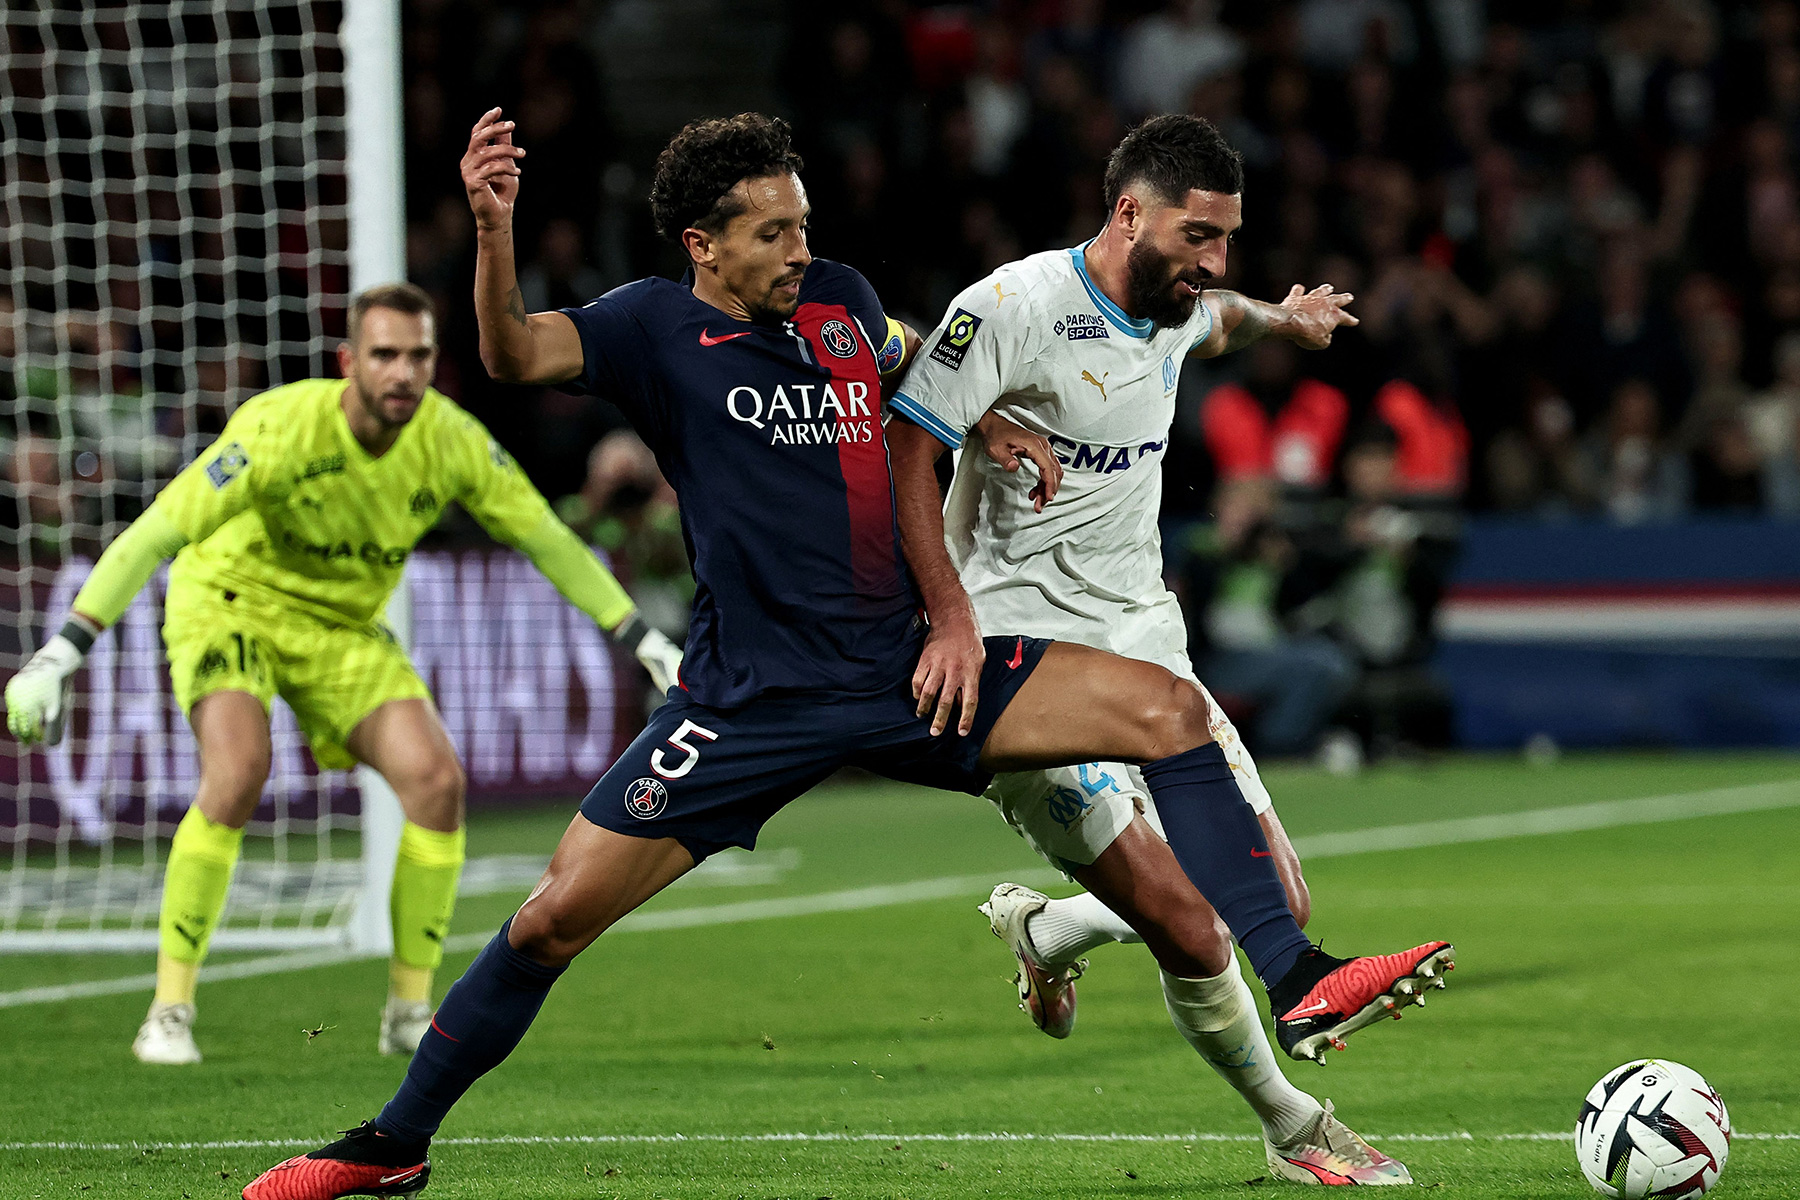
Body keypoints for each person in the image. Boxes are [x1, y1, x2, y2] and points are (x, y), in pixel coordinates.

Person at [239, 110, 1449, 1200]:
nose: (797, 248)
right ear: (703, 246)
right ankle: (393, 1145)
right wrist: (493, 235)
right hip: (749, 700)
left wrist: (988, 409)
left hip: (907, 671)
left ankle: (1298, 975)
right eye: (770, 233)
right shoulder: (652, 330)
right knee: (549, 921)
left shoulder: (841, 301)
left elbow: (912, 349)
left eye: (802, 224)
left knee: (1171, 714)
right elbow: (509, 356)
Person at [887, 114, 1417, 1185]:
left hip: (1143, 639)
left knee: (1274, 898)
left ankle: (1049, 934)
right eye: (1198, 235)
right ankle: (1293, 1125)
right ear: (1129, 212)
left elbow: (1222, 319)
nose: (1214, 260)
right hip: (1018, 659)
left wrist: (1287, 316)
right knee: (1190, 923)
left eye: (1228, 238)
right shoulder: (1010, 308)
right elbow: (906, 444)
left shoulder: (1176, 309)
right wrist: (945, 618)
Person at [3, 283, 683, 1066]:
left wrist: (642, 641)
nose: (403, 373)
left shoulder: (451, 441)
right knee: (239, 770)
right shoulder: (278, 429)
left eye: (418, 356)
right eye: (386, 355)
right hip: (232, 602)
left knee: (435, 783)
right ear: (349, 362)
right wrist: (62, 653)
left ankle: (406, 1009)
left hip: (343, 628)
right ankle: (169, 1009)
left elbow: (548, 541)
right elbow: (153, 534)